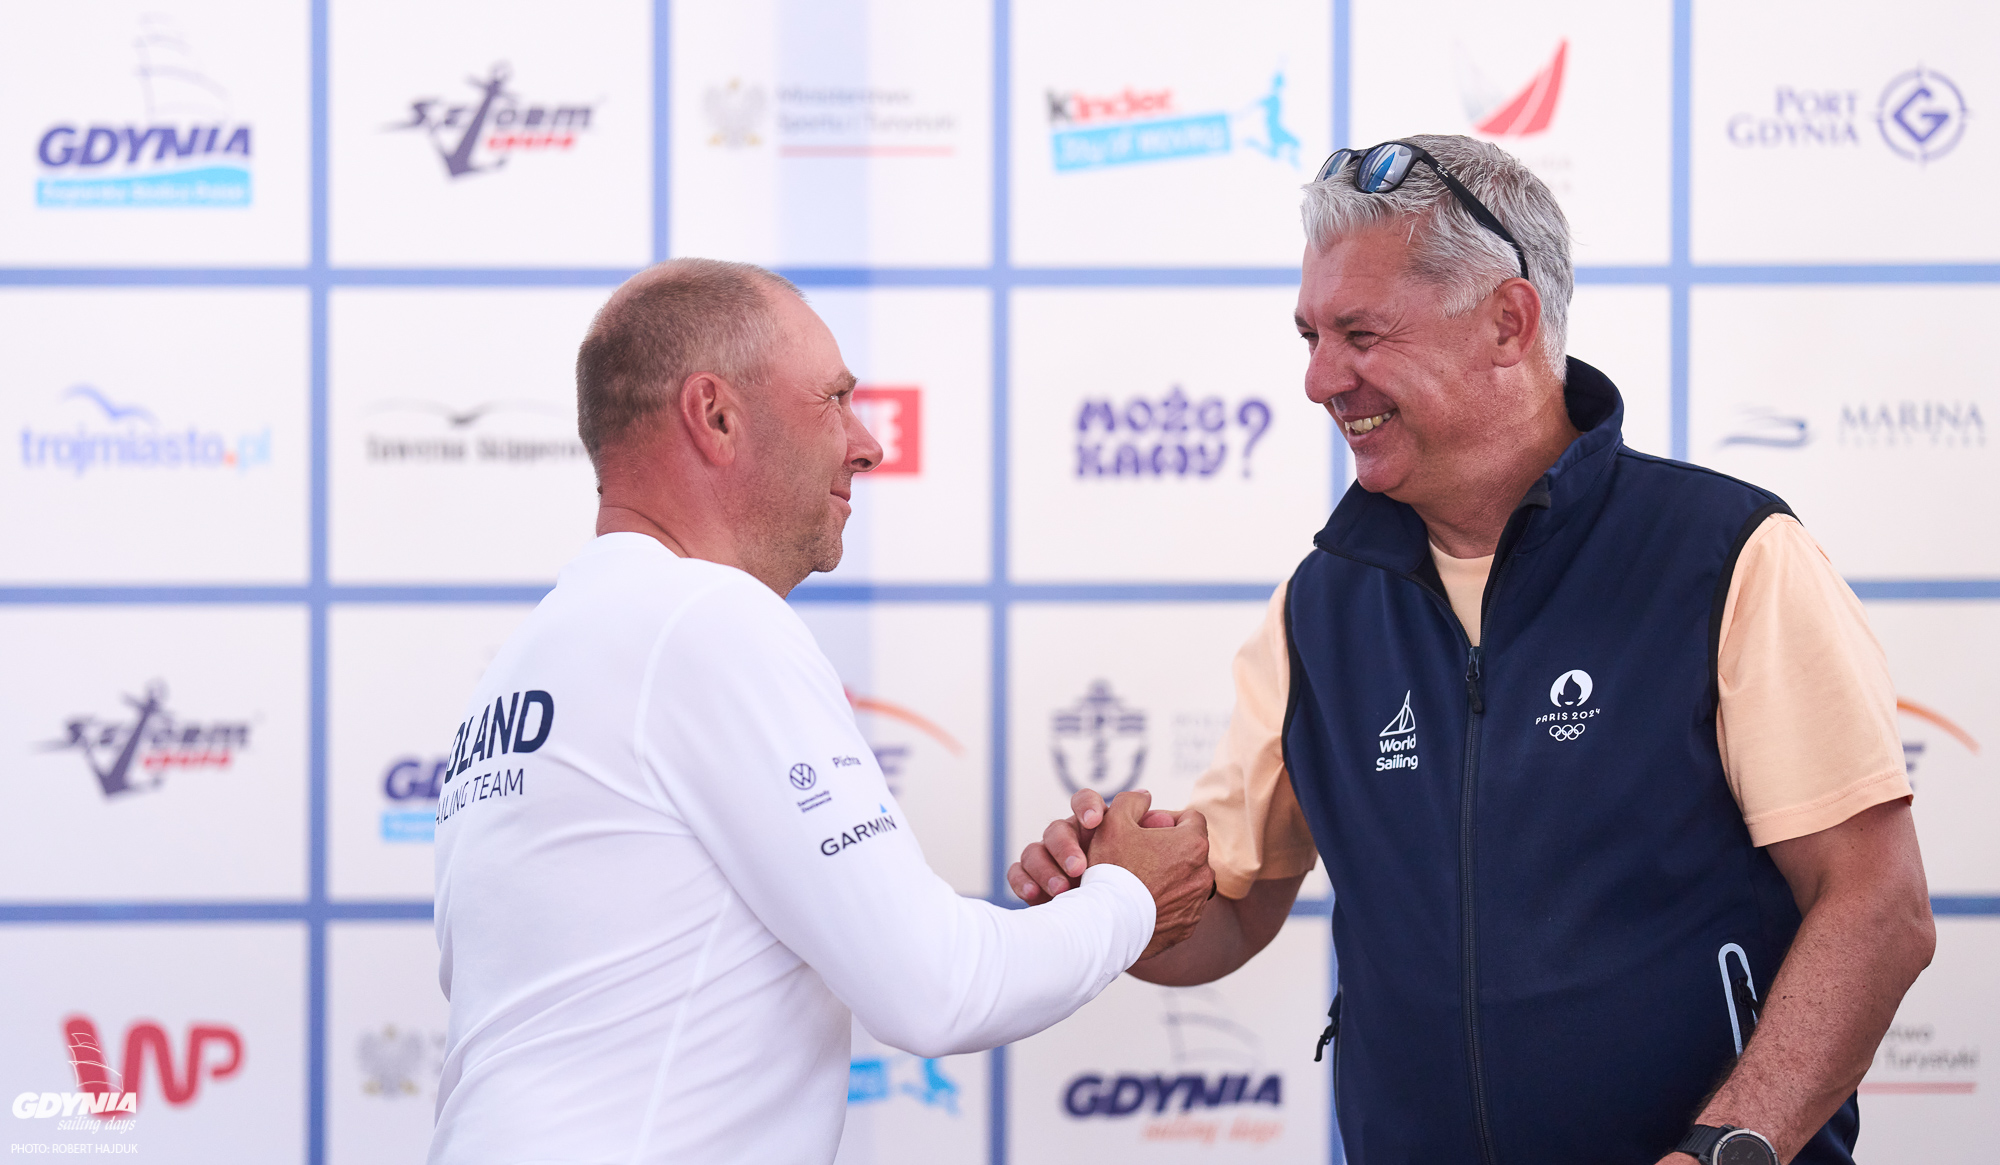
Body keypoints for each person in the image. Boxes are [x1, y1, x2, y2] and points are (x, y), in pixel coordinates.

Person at [1012, 136, 1934, 1165]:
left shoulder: (1725, 556)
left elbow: (1877, 908)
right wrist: (1113, 901)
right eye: (1309, 334)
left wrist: (1723, 1148)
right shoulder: (1319, 606)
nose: (1318, 379)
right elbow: (1228, 913)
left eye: (1360, 333)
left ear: (1508, 322)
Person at [428, 259, 1214, 1165]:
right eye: (834, 400)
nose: (868, 444)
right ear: (716, 415)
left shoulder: (528, 662)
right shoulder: (705, 617)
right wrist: (1130, 895)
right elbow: (934, 987)